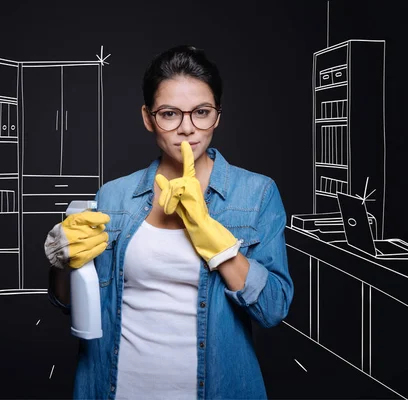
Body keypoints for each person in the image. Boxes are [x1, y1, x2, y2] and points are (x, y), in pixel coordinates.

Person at [44, 44, 293, 400]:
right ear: (148, 118)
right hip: (116, 388)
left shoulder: (256, 194)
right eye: (170, 114)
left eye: (201, 112)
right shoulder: (113, 196)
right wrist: (62, 263)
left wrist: (215, 239)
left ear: (217, 115)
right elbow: (69, 304)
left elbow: (273, 308)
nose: (187, 129)